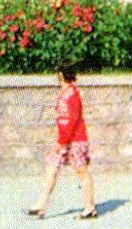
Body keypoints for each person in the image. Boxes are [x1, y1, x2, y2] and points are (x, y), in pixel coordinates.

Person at [27, 65, 97, 220]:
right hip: (63, 140)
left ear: (61, 75)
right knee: (51, 168)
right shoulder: (64, 93)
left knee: (82, 171)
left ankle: (90, 207)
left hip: (75, 140)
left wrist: (62, 142)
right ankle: (40, 205)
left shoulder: (73, 94)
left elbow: (73, 120)